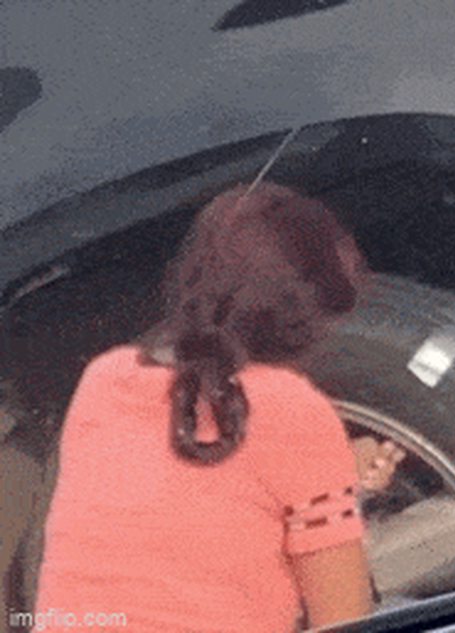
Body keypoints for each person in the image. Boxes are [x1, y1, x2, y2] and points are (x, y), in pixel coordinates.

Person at [35, 182, 404, 632]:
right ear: (309, 316)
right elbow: (344, 619)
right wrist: (335, 488)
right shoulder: (293, 410)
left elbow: (184, 518)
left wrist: (337, 481)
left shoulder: (104, 381)